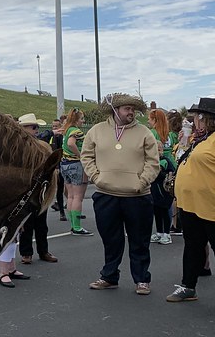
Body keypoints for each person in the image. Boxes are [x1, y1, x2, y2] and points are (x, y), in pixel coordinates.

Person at [81, 93, 159, 294]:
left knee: (139, 241)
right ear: (115, 110)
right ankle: (109, 276)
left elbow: (153, 162)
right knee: (111, 240)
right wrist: (96, 177)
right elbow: (86, 156)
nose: (131, 112)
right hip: (105, 195)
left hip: (138, 196)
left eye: (133, 109)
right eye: (127, 109)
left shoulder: (144, 133)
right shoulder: (96, 131)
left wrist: (142, 182)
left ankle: (142, 279)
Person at [165, 97, 215, 303]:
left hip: (210, 205)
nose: (193, 121)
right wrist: (183, 144)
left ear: (205, 118)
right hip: (190, 204)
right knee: (193, 246)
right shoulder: (197, 139)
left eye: (196, 117)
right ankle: (188, 286)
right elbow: (180, 158)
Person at [16, 114, 58, 265]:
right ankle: (26, 252)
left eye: (37, 127)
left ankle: (43, 251)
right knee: (26, 224)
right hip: (25, 188)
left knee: (41, 224)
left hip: (39, 188)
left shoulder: (40, 145)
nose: (36, 130)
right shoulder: (18, 145)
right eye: (33, 127)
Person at [60, 109, 92, 235]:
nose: (83, 121)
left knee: (71, 196)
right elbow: (71, 143)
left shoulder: (66, 130)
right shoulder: (76, 131)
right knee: (78, 197)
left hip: (65, 164)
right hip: (76, 164)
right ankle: (77, 227)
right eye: (81, 119)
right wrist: (80, 155)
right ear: (76, 120)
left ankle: (73, 225)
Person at [147, 108, 176, 245]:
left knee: (161, 204)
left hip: (160, 167)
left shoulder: (152, 133)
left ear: (155, 120)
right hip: (172, 167)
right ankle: (162, 232)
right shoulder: (170, 134)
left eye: (150, 119)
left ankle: (165, 233)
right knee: (164, 204)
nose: (148, 121)